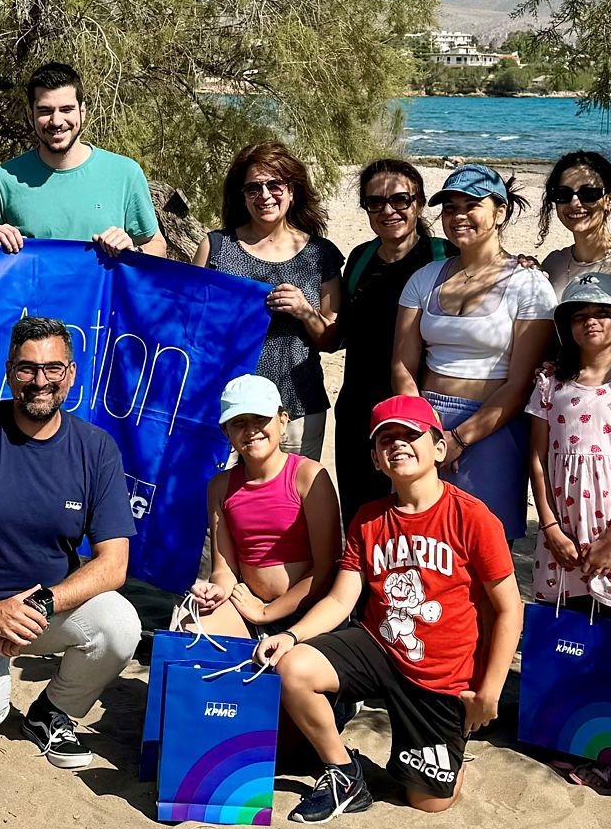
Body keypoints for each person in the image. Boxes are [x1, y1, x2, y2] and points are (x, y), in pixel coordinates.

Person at [255, 395, 524, 821]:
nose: (397, 445)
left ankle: (449, 763)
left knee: (428, 801)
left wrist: (488, 692)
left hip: (441, 674)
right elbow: (342, 599)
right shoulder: (368, 518)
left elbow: (509, 608)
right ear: (377, 460)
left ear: (438, 447)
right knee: (294, 667)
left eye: (409, 435)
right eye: (385, 440)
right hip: (380, 646)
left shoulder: (472, 518)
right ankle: (344, 772)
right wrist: (290, 636)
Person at [0, 317, 145, 771]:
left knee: (120, 624)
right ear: (8, 370)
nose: (40, 381)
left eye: (53, 369)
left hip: (41, 611)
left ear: (71, 373)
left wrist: (38, 605)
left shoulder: (96, 448)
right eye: (27, 369)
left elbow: (114, 564)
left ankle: (52, 711)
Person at [525, 272, 611, 774]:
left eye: (603, 313)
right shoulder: (549, 382)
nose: (592, 322)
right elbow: (538, 459)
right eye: (580, 315)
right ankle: (562, 729)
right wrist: (551, 527)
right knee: (565, 616)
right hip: (561, 523)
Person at [390, 163, 553, 537]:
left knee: (485, 542)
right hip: (425, 422)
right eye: (449, 208)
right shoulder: (425, 278)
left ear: (500, 212)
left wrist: (461, 438)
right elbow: (402, 364)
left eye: (471, 205)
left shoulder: (529, 285)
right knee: (419, 539)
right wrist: (422, 429)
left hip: (494, 426)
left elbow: (520, 381)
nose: (458, 216)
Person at [197, 141, 344, 455]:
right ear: (243, 196)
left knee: (291, 500)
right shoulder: (216, 248)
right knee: (220, 500)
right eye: (253, 188)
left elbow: (331, 340)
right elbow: (190, 325)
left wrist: (305, 311)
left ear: (292, 190)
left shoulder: (321, 254)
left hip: (297, 406)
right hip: (225, 405)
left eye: (274, 185)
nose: (264, 195)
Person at [324, 157, 449, 515]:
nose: (388, 210)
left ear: (419, 203)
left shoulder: (443, 257)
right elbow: (339, 334)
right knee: (362, 512)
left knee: (417, 509)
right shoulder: (360, 258)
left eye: (400, 200)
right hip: (358, 408)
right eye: (375, 202)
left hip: (419, 407)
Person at [187, 374, 342, 636]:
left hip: (309, 609)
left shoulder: (308, 476)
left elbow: (326, 568)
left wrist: (267, 612)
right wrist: (218, 590)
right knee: (191, 631)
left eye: (261, 419)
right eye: (239, 423)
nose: (251, 430)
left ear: (283, 421)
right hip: (249, 605)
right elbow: (223, 569)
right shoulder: (220, 486)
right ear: (226, 432)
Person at [0, 62, 163, 255]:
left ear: (82, 112)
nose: (56, 121)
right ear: (30, 116)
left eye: (66, 109)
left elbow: (157, 246)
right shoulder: (2, 179)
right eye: (45, 111)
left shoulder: (125, 173)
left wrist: (134, 250)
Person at [536, 148, 611, 296]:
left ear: (610, 200)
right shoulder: (553, 264)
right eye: (562, 194)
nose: (574, 203)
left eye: (588, 193)